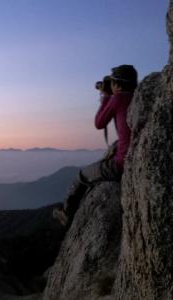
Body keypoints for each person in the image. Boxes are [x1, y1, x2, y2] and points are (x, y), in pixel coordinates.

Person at [53, 65, 138, 227]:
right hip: (135, 158)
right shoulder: (138, 97)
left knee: (81, 176)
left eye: (112, 82)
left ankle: (66, 213)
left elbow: (99, 123)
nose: (111, 85)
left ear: (118, 84)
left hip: (121, 165)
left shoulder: (118, 98)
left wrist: (106, 96)